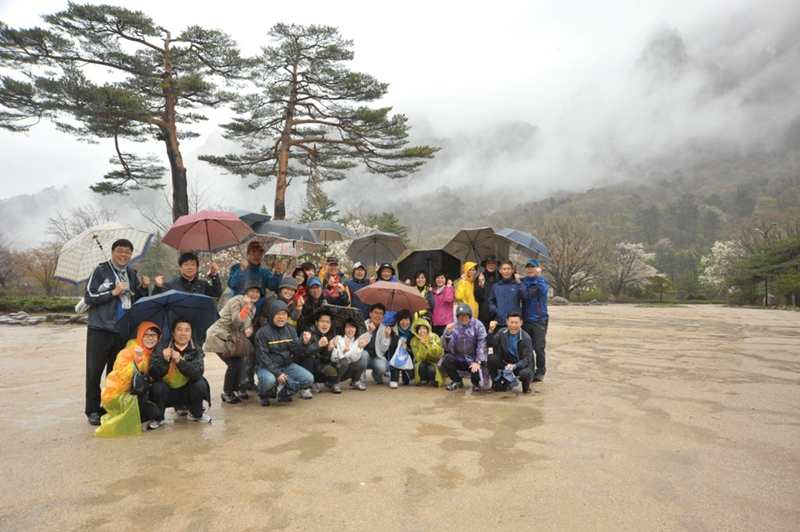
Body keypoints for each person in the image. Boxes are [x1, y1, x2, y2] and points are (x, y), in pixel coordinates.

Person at [84, 238, 150, 426]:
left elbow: (137, 301)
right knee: (94, 371)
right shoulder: (100, 270)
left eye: (128, 252)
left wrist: (144, 288)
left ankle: (110, 406)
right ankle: (93, 410)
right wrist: (113, 292)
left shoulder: (131, 273)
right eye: (120, 251)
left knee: (116, 372)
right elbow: (89, 296)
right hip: (100, 328)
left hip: (122, 330)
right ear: (112, 252)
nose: (124, 255)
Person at [96, 321, 163, 435]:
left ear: (158, 338)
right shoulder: (127, 352)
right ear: (140, 335)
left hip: (136, 392)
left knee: (154, 412)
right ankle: (124, 421)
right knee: (143, 395)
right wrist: (139, 359)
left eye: (153, 335)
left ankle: (132, 419)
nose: (150, 338)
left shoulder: (155, 354)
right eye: (146, 335)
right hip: (118, 395)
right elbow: (126, 375)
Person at [203, 279, 261, 404]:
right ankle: (226, 393)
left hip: (231, 338)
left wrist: (249, 330)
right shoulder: (237, 301)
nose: (255, 294)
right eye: (252, 291)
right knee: (233, 364)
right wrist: (246, 307)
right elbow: (236, 321)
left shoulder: (253, 307)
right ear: (246, 292)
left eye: (257, 292)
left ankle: (233, 391)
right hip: (218, 336)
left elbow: (246, 324)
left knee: (239, 363)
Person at [149, 317, 212, 423]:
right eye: (179, 330)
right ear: (173, 333)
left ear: (191, 333)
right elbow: (154, 373)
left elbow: (197, 373)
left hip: (187, 392)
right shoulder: (161, 347)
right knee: (157, 386)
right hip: (167, 392)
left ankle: (195, 413)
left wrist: (180, 362)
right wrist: (164, 361)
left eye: (187, 330)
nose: (183, 333)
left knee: (200, 383)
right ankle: (159, 418)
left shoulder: (196, 349)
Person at [254, 300, 315, 406]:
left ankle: (281, 390)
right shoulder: (262, 332)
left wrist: (304, 343)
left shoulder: (291, 330)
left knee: (309, 379)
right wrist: (277, 373)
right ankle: (264, 395)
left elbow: (296, 351)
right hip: (266, 367)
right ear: (272, 315)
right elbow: (262, 357)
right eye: (277, 314)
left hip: (286, 366)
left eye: (284, 314)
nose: (281, 317)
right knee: (268, 380)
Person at [440, 303, 488, 392]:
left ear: (470, 315)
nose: (463, 317)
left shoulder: (478, 325)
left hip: (474, 359)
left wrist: (478, 361)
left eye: (466, 315)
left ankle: (475, 383)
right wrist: (447, 334)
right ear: (457, 316)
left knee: (478, 368)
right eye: (461, 315)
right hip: (459, 358)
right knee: (446, 360)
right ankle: (457, 380)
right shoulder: (453, 326)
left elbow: (482, 345)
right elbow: (446, 347)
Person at [227, 240, 283, 312]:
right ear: (247, 254)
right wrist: (241, 270)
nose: (257, 256)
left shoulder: (264, 271)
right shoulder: (236, 267)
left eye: (259, 253)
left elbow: (273, 286)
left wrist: (277, 273)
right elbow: (232, 284)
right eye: (253, 253)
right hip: (238, 311)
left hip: (257, 312)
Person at [487, 311, 533, 394]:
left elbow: (527, 359)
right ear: (507, 322)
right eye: (511, 322)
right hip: (506, 363)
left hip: (520, 365)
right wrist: (490, 331)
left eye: (516, 323)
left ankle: (526, 387)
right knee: (491, 358)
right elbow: (490, 343)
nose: (513, 326)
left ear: (521, 323)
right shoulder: (502, 332)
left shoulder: (526, 338)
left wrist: (514, 366)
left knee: (525, 373)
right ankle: (496, 384)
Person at [521, 259, 549, 382]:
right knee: (528, 347)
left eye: (533, 267)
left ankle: (541, 371)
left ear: (537, 268)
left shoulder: (542, 280)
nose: (530, 269)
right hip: (526, 319)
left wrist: (539, 277)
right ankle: (530, 370)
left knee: (539, 347)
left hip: (539, 319)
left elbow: (544, 291)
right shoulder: (523, 281)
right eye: (528, 267)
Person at [299, 308, 341, 392]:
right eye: (322, 321)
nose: (325, 324)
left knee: (333, 372)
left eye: (328, 322)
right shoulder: (308, 333)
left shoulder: (329, 335)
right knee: (310, 357)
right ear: (316, 322)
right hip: (303, 366)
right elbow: (300, 353)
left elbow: (324, 360)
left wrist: (329, 349)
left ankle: (314, 381)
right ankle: (305, 386)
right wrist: (318, 345)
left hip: (317, 365)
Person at [152, 251, 222, 298]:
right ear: (180, 267)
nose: (189, 268)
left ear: (197, 267)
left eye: (193, 265)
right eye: (186, 264)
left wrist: (214, 275)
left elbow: (217, 293)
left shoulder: (203, 285)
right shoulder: (171, 285)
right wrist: (158, 287)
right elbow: (156, 299)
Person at [329, 318, 370, 392]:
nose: (350, 330)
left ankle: (355, 382)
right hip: (337, 369)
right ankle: (334, 383)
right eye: (347, 327)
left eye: (353, 327)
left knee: (361, 362)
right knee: (344, 361)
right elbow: (333, 358)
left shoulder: (357, 340)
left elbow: (354, 359)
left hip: (346, 370)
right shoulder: (338, 339)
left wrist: (359, 348)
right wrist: (343, 352)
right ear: (344, 329)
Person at [360, 303, 392, 386]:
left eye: (381, 314)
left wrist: (386, 337)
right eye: (376, 313)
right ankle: (361, 379)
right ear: (370, 313)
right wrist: (369, 332)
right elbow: (359, 344)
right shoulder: (362, 324)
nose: (378, 316)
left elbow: (383, 349)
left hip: (376, 357)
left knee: (382, 367)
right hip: (362, 357)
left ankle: (376, 375)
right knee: (364, 354)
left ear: (383, 316)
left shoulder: (384, 328)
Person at [410, 318, 445, 387]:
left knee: (431, 369)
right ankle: (424, 379)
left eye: (424, 328)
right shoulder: (414, 341)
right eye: (420, 329)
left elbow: (438, 354)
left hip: (434, 362)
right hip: (422, 362)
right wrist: (423, 346)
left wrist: (431, 343)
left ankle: (433, 380)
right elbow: (418, 358)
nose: (422, 331)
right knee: (421, 366)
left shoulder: (434, 337)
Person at [489, 260, 523, 328]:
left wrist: (519, 283)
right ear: (500, 270)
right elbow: (491, 301)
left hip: (514, 322)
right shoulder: (495, 286)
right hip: (500, 321)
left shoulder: (517, 284)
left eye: (508, 269)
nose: (506, 271)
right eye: (504, 269)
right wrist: (496, 310)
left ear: (512, 270)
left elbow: (524, 296)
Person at [388, 309, 414, 388]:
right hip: (395, 358)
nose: (404, 322)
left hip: (408, 358)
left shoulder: (413, 332)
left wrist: (407, 348)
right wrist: (396, 335)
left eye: (406, 319)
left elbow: (414, 350)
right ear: (398, 321)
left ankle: (405, 377)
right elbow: (391, 349)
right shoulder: (393, 330)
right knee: (395, 359)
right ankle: (394, 379)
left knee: (408, 377)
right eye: (402, 320)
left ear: (410, 321)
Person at [474, 254, 500, 331]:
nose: (491, 265)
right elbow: (477, 297)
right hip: (484, 315)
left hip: (498, 315)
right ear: (485, 265)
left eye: (493, 263)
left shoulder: (501, 276)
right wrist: (480, 283)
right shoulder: (480, 278)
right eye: (488, 263)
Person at [430, 271, 455, 337]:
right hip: (435, 323)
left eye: (442, 278)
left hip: (446, 323)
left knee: (445, 342)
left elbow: (448, 299)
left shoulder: (449, 289)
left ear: (446, 279)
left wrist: (449, 286)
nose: (440, 280)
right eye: (438, 278)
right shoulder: (433, 291)